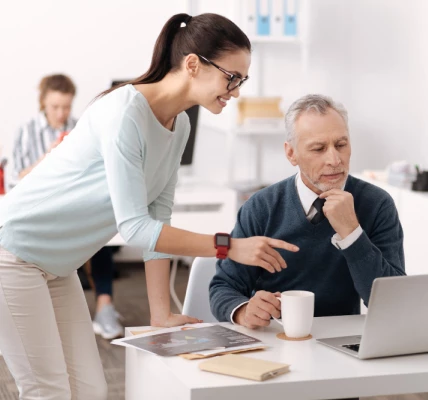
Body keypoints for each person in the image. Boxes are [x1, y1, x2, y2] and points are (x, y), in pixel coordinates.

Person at [0, 13, 299, 400]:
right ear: (193, 64)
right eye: (232, 77)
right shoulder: (126, 112)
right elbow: (136, 227)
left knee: (90, 389)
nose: (236, 90)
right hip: (13, 253)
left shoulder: (181, 126)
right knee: (48, 391)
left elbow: (158, 216)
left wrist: (160, 313)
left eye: (241, 80)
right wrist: (229, 245)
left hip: (57, 266)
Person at [209, 94, 406, 329]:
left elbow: (393, 303)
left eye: (341, 145)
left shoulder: (377, 204)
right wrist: (243, 310)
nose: (334, 159)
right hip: (277, 338)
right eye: (319, 148)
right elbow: (223, 287)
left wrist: (351, 233)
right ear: (291, 153)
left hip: (341, 340)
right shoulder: (261, 207)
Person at [9, 73, 124, 340]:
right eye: (55, 107)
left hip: (74, 203)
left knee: (98, 235)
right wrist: (48, 158)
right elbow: (17, 179)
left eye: (66, 107)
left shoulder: (81, 127)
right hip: (39, 206)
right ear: (43, 104)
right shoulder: (26, 132)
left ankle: (105, 307)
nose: (61, 113)